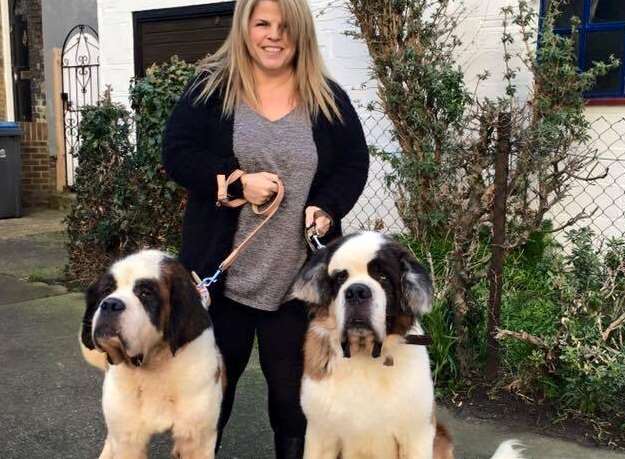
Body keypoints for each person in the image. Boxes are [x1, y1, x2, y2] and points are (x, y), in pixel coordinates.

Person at [161, 0, 369, 456]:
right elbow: (176, 151)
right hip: (220, 282)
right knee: (209, 398)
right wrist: (233, 181)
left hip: (295, 285)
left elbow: (354, 164)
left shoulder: (326, 97)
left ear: (301, 34)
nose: (274, 35)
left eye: (285, 26)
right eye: (263, 24)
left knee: (294, 405)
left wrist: (327, 207)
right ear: (245, 27)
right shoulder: (212, 89)